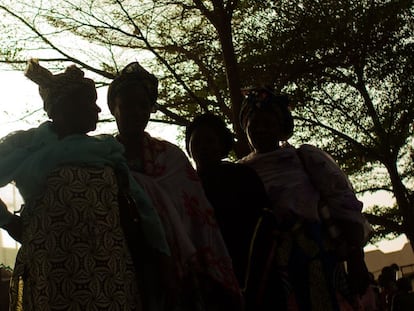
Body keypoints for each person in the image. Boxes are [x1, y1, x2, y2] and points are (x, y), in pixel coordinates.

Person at [0, 59, 170, 311]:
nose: (98, 110)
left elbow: (141, 208)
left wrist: (158, 252)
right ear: (62, 107)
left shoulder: (107, 151)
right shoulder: (26, 147)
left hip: (110, 273)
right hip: (52, 271)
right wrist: (10, 222)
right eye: (88, 101)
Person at [107, 62, 242, 310]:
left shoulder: (171, 158)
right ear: (113, 107)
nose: (135, 112)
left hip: (174, 271)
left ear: (150, 110)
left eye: (143, 105)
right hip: (116, 265)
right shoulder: (100, 157)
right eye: (126, 104)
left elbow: (198, 219)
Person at [237, 86, 371, 310]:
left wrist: (357, 259)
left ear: (281, 129)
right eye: (255, 125)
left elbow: (342, 203)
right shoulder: (240, 172)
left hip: (318, 254)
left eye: (268, 124)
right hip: (266, 264)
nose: (261, 130)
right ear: (246, 128)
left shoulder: (306, 158)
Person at [185, 113, 272, 308]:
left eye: (210, 141)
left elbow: (263, 223)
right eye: (197, 142)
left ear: (222, 145)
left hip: (248, 271)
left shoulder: (242, 176)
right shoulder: (184, 186)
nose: (203, 147)